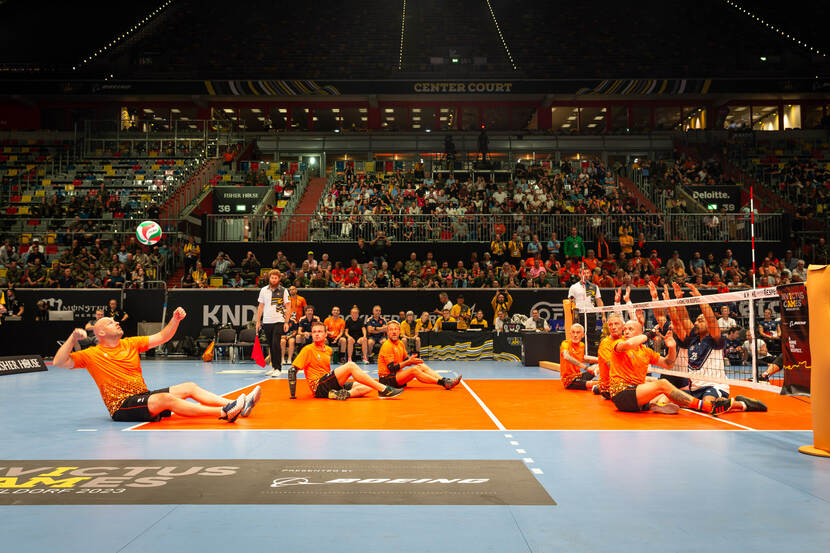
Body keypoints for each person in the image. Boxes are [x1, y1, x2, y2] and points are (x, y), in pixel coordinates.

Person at [52, 307, 260, 423]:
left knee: (189, 387)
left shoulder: (130, 343)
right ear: (101, 333)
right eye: (109, 322)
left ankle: (236, 404)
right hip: (122, 406)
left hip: (142, 395)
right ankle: (224, 412)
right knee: (167, 399)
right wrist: (72, 340)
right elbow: (59, 362)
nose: (116, 322)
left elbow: (162, 336)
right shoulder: (92, 354)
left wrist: (175, 320)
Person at [610, 319, 766, 415]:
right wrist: (650, 334)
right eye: (625, 330)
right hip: (621, 394)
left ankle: (739, 404)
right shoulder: (619, 344)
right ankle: (706, 407)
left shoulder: (646, 351)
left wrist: (671, 347)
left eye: (630, 329)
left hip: (636, 395)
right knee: (663, 384)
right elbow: (628, 344)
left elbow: (668, 364)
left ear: (638, 332)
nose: (626, 332)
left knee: (673, 396)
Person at [291, 322, 404, 400]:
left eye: (320, 331)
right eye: (314, 332)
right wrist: (293, 395)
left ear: (326, 334)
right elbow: (292, 371)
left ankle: (341, 394)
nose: (316, 334)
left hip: (328, 385)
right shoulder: (307, 350)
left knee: (368, 386)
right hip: (318, 387)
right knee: (350, 366)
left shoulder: (328, 350)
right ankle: (384, 390)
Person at [377, 321, 461, 390]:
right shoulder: (387, 345)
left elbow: (406, 359)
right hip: (386, 380)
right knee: (414, 370)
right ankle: (443, 383)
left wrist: (413, 360)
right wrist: (408, 362)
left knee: (420, 365)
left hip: (396, 376)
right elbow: (391, 368)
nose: (394, 332)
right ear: (387, 332)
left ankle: (444, 380)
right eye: (391, 330)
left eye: (396, 329)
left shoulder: (400, 343)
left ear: (399, 332)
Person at [255, 270, 293, 377]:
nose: (274, 280)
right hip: (267, 321)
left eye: (276, 278)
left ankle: (278, 368)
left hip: (279, 320)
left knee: (276, 343)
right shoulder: (263, 290)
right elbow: (260, 306)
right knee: (271, 345)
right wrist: (258, 321)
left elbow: (288, 306)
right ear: (269, 278)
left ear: (279, 279)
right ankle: (274, 367)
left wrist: (286, 322)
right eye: (272, 278)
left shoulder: (284, 291)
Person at [559, 323, 598, 390]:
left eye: (578, 332)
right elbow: (566, 357)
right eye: (573, 332)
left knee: (600, 365)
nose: (575, 335)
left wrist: (600, 359)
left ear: (583, 335)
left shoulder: (582, 345)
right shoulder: (565, 344)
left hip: (579, 376)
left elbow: (582, 358)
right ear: (570, 333)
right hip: (570, 381)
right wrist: (586, 367)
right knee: (592, 384)